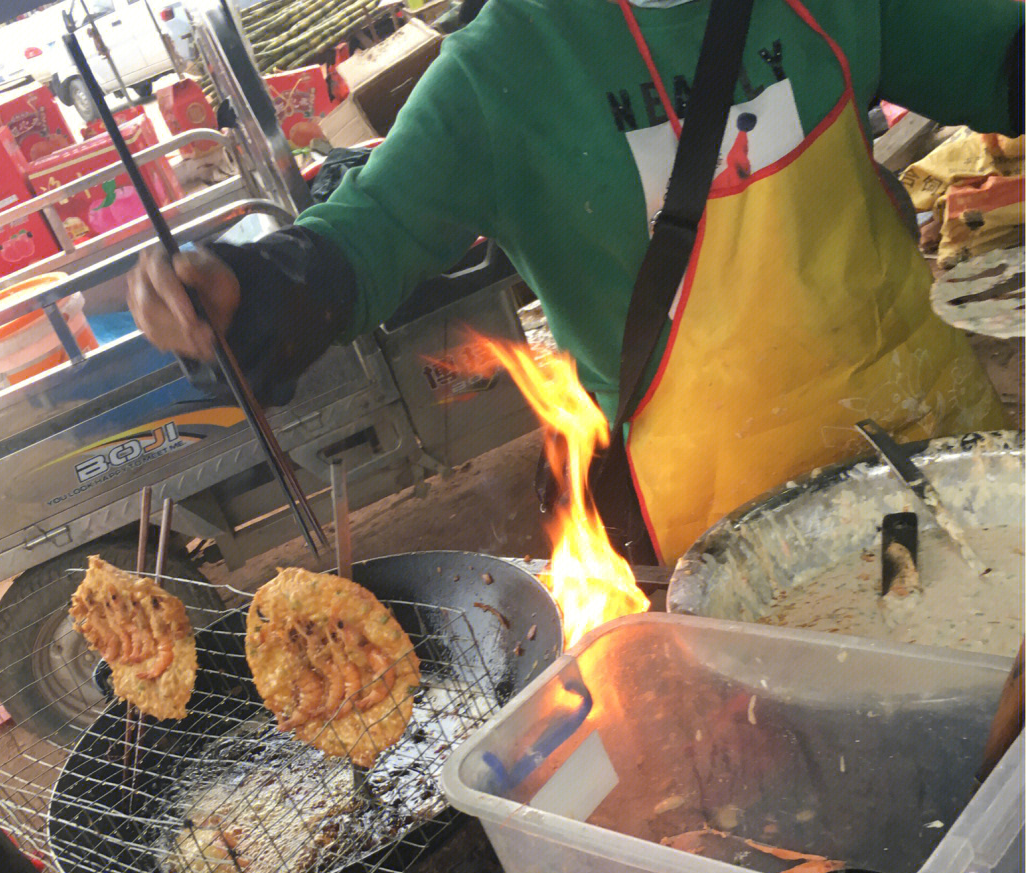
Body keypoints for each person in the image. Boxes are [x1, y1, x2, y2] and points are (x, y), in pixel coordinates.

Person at [128, 0, 1024, 564]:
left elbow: (995, 60)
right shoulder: (499, 73)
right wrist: (244, 293)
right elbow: (360, 244)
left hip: (935, 450)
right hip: (738, 535)